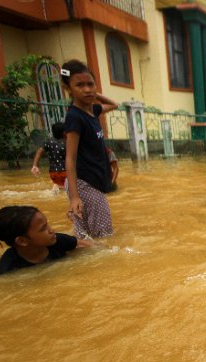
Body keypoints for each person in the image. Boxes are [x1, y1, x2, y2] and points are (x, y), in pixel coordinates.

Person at [61, 59, 119, 238]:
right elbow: (70, 158)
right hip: (83, 183)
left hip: (93, 181)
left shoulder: (92, 110)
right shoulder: (75, 117)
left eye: (90, 84)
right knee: (105, 236)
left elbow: (114, 104)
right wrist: (74, 197)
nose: (87, 89)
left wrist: (94, 94)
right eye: (80, 85)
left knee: (87, 236)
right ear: (68, 89)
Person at [0, 205, 93, 275]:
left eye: (47, 224)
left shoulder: (57, 240)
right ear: (22, 241)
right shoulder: (7, 267)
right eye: (43, 228)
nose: (52, 230)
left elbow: (91, 246)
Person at [31, 122, 67, 189]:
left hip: (53, 173)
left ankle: (56, 188)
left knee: (60, 187)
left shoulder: (49, 142)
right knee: (68, 189)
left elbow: (39, 151)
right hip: (65, 172)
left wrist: (34, 165)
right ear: (63, 132)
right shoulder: (66, 143)